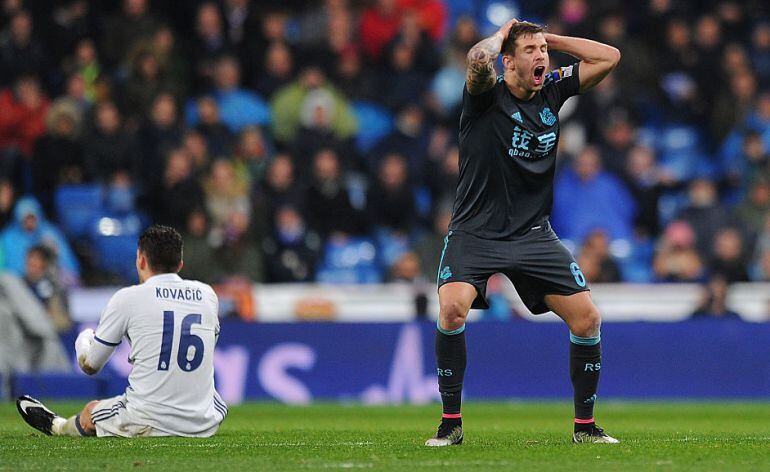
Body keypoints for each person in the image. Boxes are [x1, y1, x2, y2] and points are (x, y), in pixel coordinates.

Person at [425, 19, 620, 447]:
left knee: (587, 319)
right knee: (452, 309)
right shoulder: (484, 96)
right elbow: (478, 59)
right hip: (475, 232)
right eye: (529, 51)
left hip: (533, 235)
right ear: (507, 62)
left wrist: (550, 39)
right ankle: (450, 423)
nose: (541, 57)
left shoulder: (551, 90)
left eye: (542, 50)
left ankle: (585, 429)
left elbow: (609, 56)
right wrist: (502, 36)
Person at [16, 225, 226, 438]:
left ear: (141, 260)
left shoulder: (128, 298)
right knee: (213, 396)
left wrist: (84, 339)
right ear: (180, 264)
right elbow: (209, 345)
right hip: (203, 423)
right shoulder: (207, 294)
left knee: (92, 411)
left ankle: (56, 426)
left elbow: (90, 365)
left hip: (148, 420)